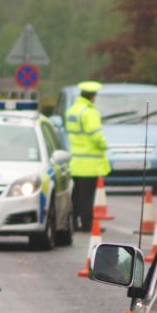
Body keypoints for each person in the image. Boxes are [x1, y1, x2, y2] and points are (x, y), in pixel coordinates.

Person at [65, 80, 110, 232]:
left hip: (75, 161)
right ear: (92, 96)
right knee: (87, 196)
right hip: (89, 163)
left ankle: (74, 223)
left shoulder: (72, 110)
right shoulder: (89, 112)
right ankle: (87, 224)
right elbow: (96, 135)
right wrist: (104, 145)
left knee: (76, 195)